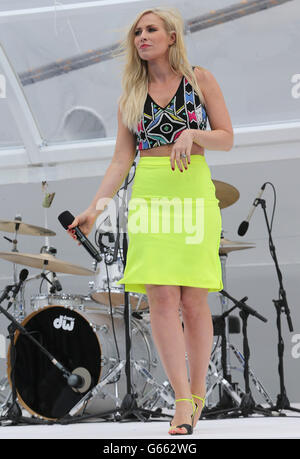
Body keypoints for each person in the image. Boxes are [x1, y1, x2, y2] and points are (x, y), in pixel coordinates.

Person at [68, 7, 233, 435]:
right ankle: (181, 398)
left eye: (151, 29)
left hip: (193, 189)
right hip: (151, 193)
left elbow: (227, 137)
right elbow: (122, 159)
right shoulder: (131, 96)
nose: (143, 36)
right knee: (161, 297)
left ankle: (198, 392)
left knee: (194, 299)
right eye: (137, 32)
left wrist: (193, 134)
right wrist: (96, 208)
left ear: (171, 37)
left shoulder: (199, 79)